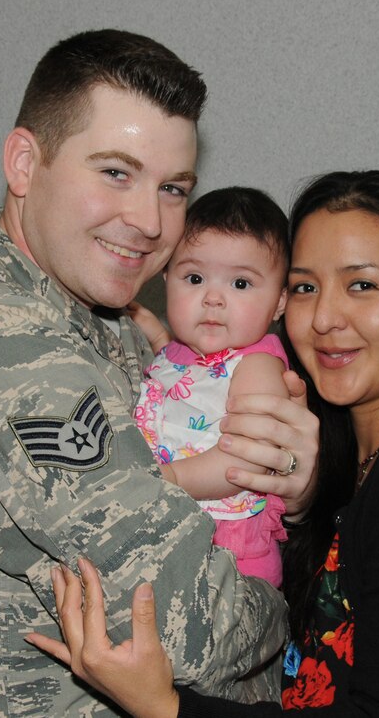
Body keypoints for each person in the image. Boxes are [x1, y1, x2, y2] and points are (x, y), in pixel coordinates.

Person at [0, 30, 319, 716]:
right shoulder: (7, 349)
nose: (148, 220)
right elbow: (189, 624)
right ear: (24, 163)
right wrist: (290, 601)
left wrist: (289, 485)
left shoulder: (99, 311)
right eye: (115, 172)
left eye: (173, 188)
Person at [28, 170, 379, 716]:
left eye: (362, 285)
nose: (326, 319)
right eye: (307, 287)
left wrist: (164, 706)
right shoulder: (340, 453)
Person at [131, 187, 293, 588]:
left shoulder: (257, 366)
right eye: (195, 278)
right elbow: (178, 376)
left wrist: (159, 479)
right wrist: (148, 326)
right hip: (174, 545)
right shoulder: (178, 352)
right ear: (166, 277)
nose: (213, 299)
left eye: (241, 283)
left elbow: (244, 461)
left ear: (279, 303)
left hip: (230, 560)